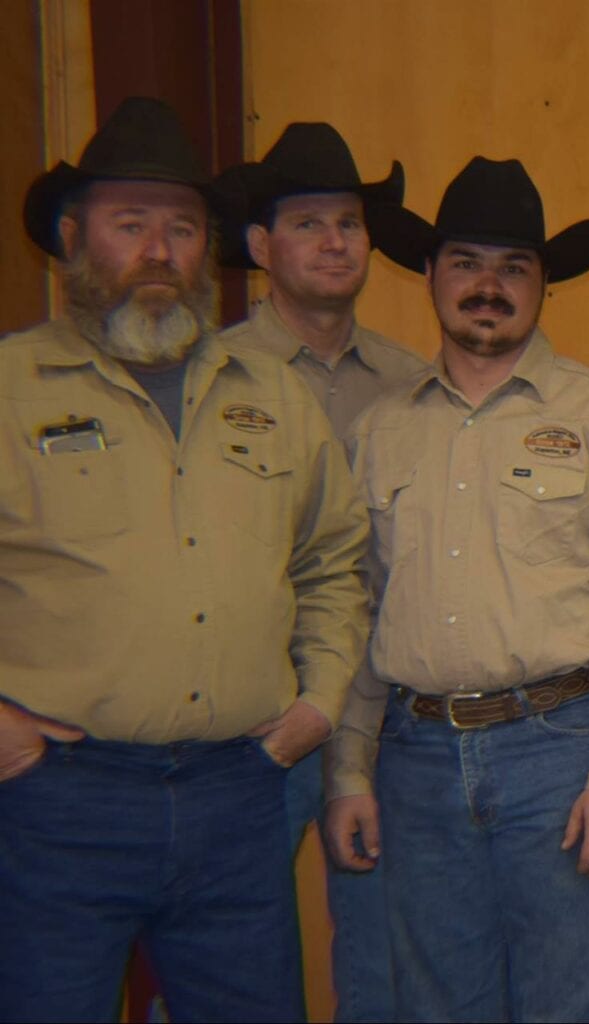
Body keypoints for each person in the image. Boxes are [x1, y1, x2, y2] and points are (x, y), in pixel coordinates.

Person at [0, 96, 369, 1022]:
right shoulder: (11, 388)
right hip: (59, 804)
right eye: (131, 225)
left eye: (181, 228)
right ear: (73, 238)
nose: (159, 251)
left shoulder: (274, 394)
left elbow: (333, 560)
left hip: (237, 800)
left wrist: (320, 700)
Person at [321, 156, 589, 1021]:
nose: (489, 286)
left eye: (515, 267)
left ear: (544, 287)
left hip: (557, 757)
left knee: (565, 1005)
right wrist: (348, 770)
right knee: (437, 1007)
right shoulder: (381, 431)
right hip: (415, 764)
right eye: (467, 263)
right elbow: (357, 611)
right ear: (431, 276)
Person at [212, 120, 425, 1024]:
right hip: (253, 708)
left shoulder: (414, 382)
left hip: (388, 710)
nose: (335, 242)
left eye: (349, 222)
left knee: (385, 953)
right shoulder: (213, 374)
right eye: (308, 223)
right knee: (225, 957)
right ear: (260, 247)